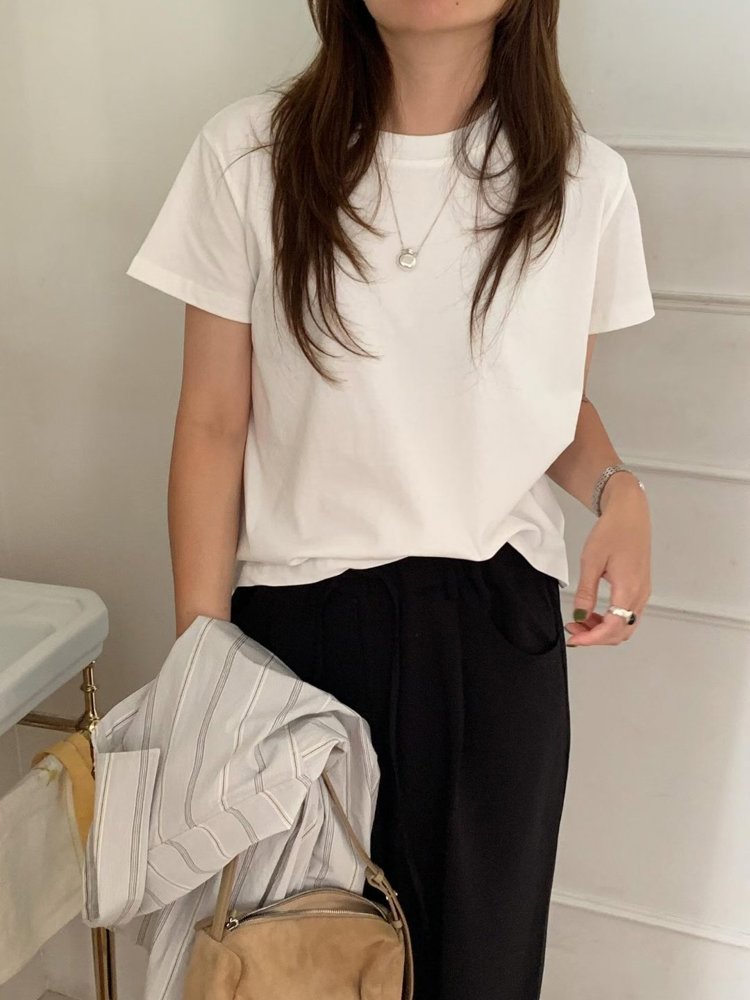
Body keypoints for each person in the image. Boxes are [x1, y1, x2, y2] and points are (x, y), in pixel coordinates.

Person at [124, 2, 655, 997]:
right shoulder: (250, 156)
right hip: (296, 637)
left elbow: (545, 405)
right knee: (286, 968)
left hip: (496, 641)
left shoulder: (584, 183)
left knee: (480, 973)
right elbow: (213, 422)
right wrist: (204, 661)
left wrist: (619, 493)